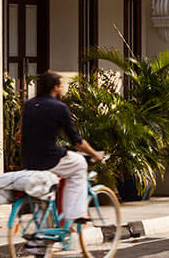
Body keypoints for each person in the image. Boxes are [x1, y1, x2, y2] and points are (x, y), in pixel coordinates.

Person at [21, 72, 105, 227]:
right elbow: (77, 142)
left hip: (28, 160)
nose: (62, 89)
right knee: (79, 163)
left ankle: (45, 231)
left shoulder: (29, 105)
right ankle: (76, 213)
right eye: (61, 85)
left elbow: (18, 136)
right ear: (55, 87)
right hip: (49, 160)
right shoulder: (59, 107)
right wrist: (95, 154)